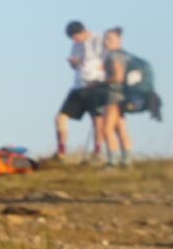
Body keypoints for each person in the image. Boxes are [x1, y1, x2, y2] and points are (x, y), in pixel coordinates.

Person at [57, 20, 109, 161]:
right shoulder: (75, 45)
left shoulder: (99, 39)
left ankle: (98, 151)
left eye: (76, 36)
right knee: (60, 117)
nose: (75, 40)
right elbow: (76, 66)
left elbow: (108, 60)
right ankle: (61, 151)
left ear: (82, 31)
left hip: (96, 84)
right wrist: (73, 63)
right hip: (78, 85)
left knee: (97, 119)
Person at [101, 27, 135, 166]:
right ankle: (127, 159)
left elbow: (118, 77)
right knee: (120, 128)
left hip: (114, 95)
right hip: (124, 95)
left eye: (110, 39)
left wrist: (100, 82)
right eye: (106, 38)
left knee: (106, 129)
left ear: (119, 40)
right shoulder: (125, 55)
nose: (106, 42)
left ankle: (113, 161)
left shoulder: (113, 55)